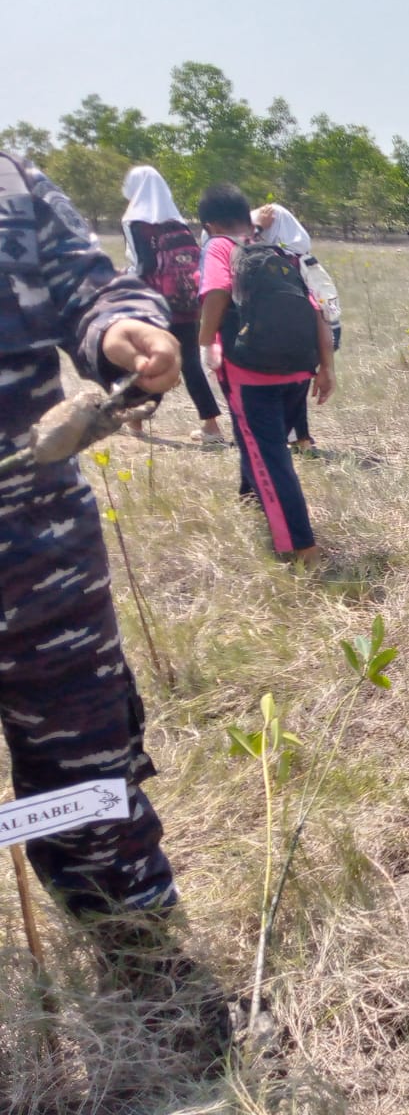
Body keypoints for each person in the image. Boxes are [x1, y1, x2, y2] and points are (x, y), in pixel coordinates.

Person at [0, 149, 226, 1043]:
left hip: (34, 549)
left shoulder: (12, 184)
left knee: (88, 762)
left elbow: (93, 288)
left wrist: (128, 327)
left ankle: (140, 951)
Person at [197, 183, 333, 566]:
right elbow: (317, 307)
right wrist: (326, 368)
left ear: (208, 224)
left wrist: (206, 342)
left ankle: (302, 548)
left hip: (251, 370)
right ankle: (250, 495)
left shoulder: (219, 247)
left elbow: (218, 291)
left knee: (270, 456)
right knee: (255, 440)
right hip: (298, 366)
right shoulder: (277, 250)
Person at [120, 164, 225, 445]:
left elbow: (144, 265)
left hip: (153, 304)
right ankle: (211, 427)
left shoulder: (135, 221)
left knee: (150, 357)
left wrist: (121, 279)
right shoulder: (177, 222)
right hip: (186, 303)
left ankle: (137, 421)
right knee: (189, 362)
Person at [252, 202, 341, 452]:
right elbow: (329, 307)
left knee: (279, 390)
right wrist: (327, 362)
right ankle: (301, 438)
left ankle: (291, 439)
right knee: (297, 388)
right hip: (312, 340)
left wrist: (256, 227)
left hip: (276, 341)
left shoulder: (269, 261)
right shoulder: (307, 260)